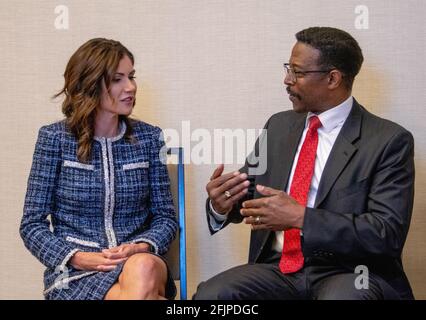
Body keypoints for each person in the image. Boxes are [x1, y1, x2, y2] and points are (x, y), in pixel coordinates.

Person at [194, 27, 415, 300]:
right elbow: (250, 195)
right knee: (213, 295)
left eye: (297, 72)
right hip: (279, 269)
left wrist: (301, 218)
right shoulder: (279, 125)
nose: (287, 80)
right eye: (288, 68)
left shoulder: (388, 141)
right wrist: (222, 204)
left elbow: (386, 234)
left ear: (333, 78)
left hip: (350, 271)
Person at [20, 38, 178, 300]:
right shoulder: (54, 139)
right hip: (75, 272)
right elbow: (31, 225)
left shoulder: (150, 138)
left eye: (131, 76)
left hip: (137, 263)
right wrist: (78, 258)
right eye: (118, 79)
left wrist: (140, 246)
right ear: (91, 84)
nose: (131, 87)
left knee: (145, 265)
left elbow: (165, 218)